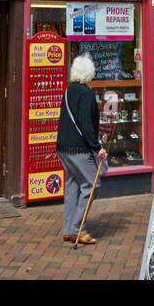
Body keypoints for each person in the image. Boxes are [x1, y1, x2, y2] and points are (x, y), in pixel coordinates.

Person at [56, 54, 107, 245]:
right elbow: (86, 124)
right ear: (90, 73)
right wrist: (97, 147)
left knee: (72, 185)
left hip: (63, 147)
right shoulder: (86, 94)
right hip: (79, 149)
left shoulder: (69, 90)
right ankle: (78, 229)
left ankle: (69, 229)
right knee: (92, 185)